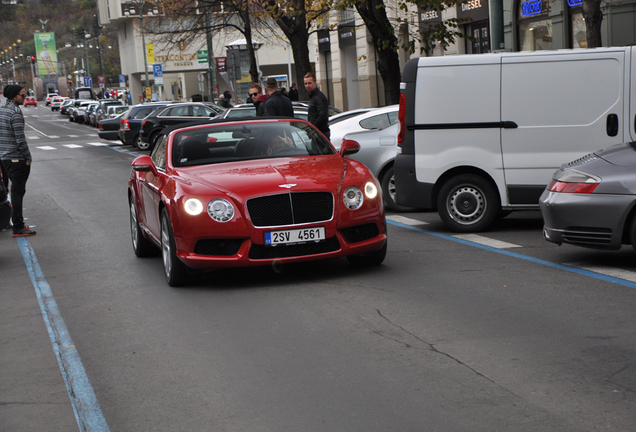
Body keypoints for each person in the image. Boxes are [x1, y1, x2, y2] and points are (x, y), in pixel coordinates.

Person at [0, 85, 36, 237]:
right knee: (18, 191)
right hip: (16, 158)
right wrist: (28, 157)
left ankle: (11, 222)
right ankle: (19, 227)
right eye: (23, 95)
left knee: (9, 190)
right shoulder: (15, 113)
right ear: (14, 96)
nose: (25, 97)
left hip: (4, 158)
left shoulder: (1, 110)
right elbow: (20, 140)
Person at [304, 72, 330, 139]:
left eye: (309, 83)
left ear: (315, 83)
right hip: (317, 133)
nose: (307, 86)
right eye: (305, 83)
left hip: (320, 133)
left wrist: (313, 127)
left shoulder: (319, 97)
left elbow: (323, 115)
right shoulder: (314, 97)